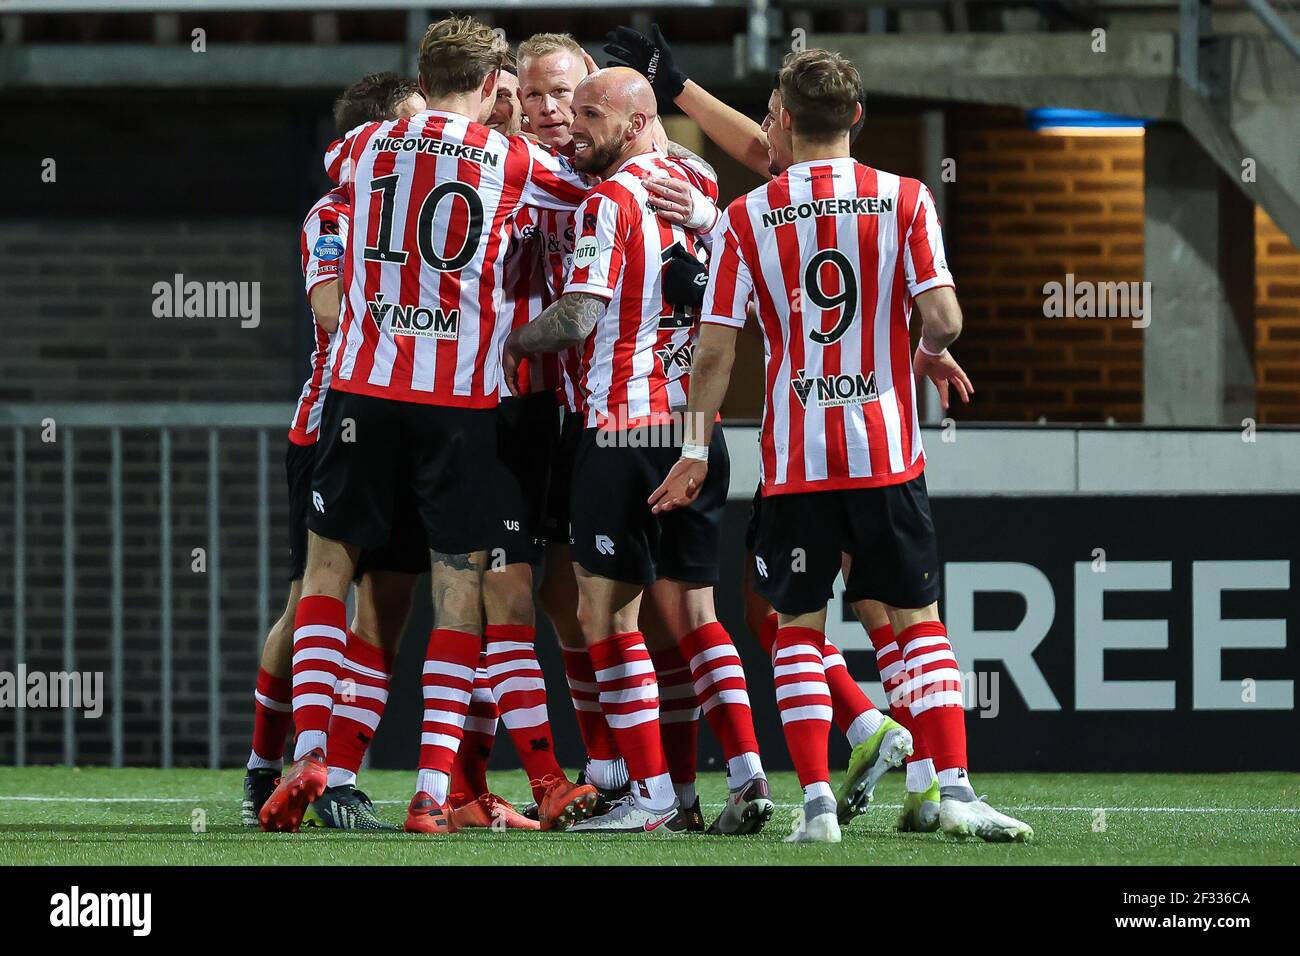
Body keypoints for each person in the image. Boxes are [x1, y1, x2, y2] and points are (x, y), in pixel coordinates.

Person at [649, 49, 1033, 845]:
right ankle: (954, 790)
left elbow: (715, 350)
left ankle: (818, 809)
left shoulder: (746, 217)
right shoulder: (905, 200)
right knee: (920, 619)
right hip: (885, 456)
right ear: (857, 118)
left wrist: (692, 448)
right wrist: (926, 345)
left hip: (796, 464)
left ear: (782, 119)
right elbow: (947, 322)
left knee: (798, 629)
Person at [259, 15, 597, 835]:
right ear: (491, 87)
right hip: (458, 407)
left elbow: (341, 187)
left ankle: (309, 749)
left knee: (327, 574)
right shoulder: (517, 160)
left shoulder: (364, 150)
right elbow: (593, 194)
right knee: (458, 597)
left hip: (363, 396)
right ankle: (429, 792)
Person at [502, 67, 772, 836]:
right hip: (693, 433)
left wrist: (512, 342)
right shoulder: (693, 178)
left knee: (605, 619)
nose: (572, 125)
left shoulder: (609, 199)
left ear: (632, 121)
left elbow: (582, 314)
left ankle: (648, 794)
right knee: (696, 616)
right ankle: (748, 773)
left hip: (622, 430)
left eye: (589, 113)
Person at [242, 72, 428, 832]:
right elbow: (326, 306)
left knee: (389, 601)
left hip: (412, 423)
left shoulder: (421, 210)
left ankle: (337, 776)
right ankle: (266, 764)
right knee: (309, 597)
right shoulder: (338, 212)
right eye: (416, 127)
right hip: (333, 425)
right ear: (381, 135)